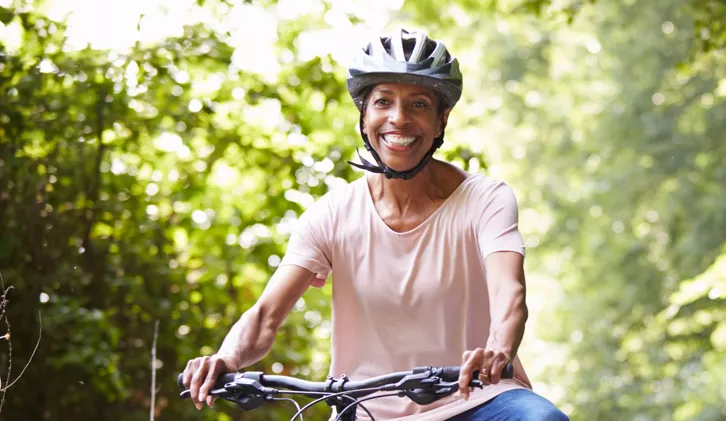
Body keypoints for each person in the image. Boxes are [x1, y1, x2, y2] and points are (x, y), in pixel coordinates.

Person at [180, 29, 568, 421]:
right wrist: (227, 357)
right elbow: (265, 317)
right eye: (383, 101)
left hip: (479, 400)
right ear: (364, 117)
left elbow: (508, 291)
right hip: (365, 411)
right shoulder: (331, 216)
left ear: (441, 121)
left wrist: (499, 347)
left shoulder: (485, 200)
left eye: (418, 104)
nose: (399, 118)